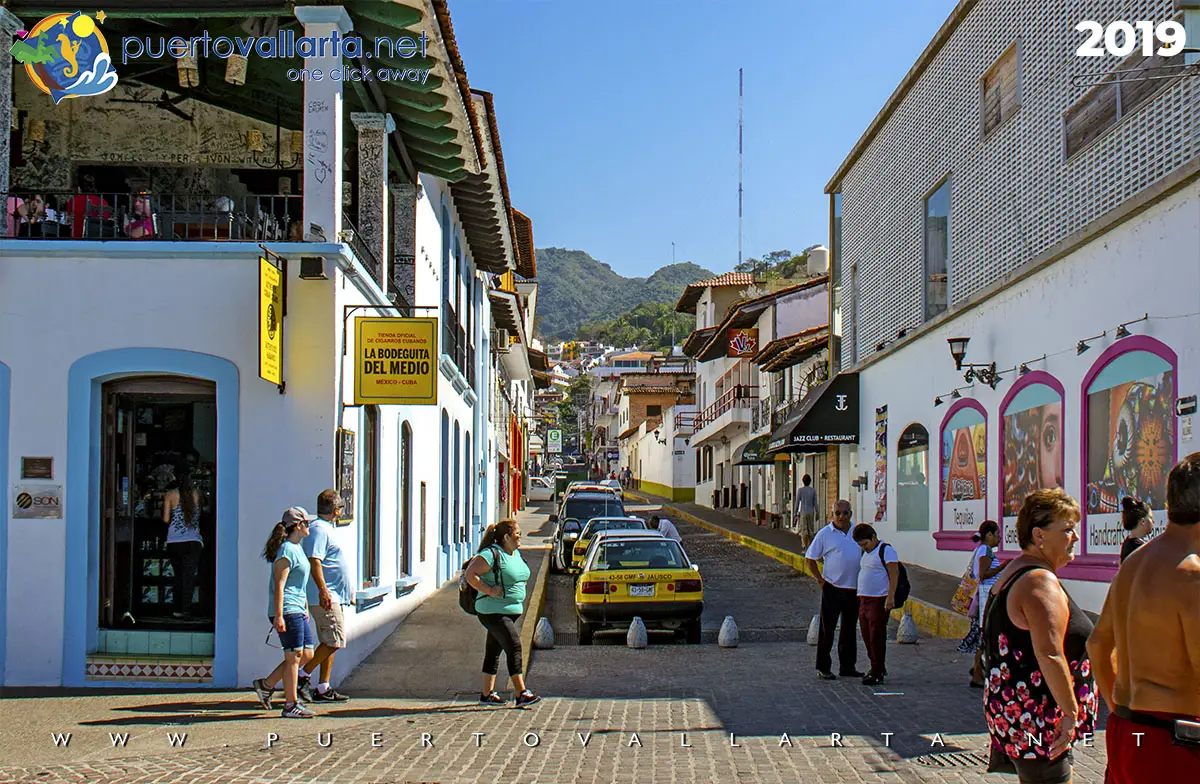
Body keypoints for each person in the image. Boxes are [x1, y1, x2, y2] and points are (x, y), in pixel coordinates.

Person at [1088, 453, 1200, 783]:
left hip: (1127, 728)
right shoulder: (1191, 574)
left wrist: (1118, 705)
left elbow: (1097, 644)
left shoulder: (1136, 561)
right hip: (1174, 741)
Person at [982, 489, 1096, 783]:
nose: (1076, 537)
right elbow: (1050, 654)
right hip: (1040, 718)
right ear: (1039, 535)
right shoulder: (1039, 581)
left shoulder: (1015, 571)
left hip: (1023, 716)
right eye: (1068, 529)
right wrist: (1070, 715)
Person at [463, 519, 541, 707]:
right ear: (506, 537)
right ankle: (521, 692)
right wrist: (489, 590)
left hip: (509, 610)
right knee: (514, 645)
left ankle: (487, 694)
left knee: (493, 651)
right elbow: (470, 575)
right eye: (517, 534)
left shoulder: (514, 554)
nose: (520, 537)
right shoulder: (490, 555)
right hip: (492, 611)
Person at [253, 507, 319, 718]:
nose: (309, 526)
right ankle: (290, 704)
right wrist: (279, 615)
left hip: (298, 609)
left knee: (307, 654)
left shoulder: (297, 548)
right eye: (307, 523)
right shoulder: (286, 551)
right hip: (287, 609)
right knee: (294, 656)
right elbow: (280, 585)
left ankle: (267, 684)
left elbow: (300, 585)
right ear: (298, 526)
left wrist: (306, 607)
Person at [298, 490, 352, 702]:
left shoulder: (327, 529)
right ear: (336, 511)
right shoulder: (319, 530)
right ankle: (303, 676)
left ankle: (323, 686)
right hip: (326, 596)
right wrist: (323, 590)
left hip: (335, 594)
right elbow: (315, 561)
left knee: (329, 641)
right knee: (334, 641)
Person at [805, 499, 864, 680]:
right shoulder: (825, 534)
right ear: (832, 514)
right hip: (832, 587)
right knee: (827, 629)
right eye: (837, 513)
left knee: (849, 629)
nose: (841, 517)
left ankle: (847, 666)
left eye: (845, 513)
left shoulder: (857, 532)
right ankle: (823, 667)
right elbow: (810, 558)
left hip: (854, 589)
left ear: (850, 514)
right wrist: (820, 580)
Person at [851, 523, 899, 686]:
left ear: (873, 537)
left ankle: (877, 672)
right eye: (861, 545)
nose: (864, 547)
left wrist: (890, 597)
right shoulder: (866, 554)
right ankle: (876, 665)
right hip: (864, 599)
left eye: (865, 543)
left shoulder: (886, 550)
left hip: (878, 599)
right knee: (866, 635)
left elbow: (894, 574)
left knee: (876, 636)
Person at [160, 466, 203, 619]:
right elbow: (201, 514)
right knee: (189, 577)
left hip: (175, 541)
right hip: (193, 541)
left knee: (178, 576)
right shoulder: (197, 494)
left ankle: (176, 609)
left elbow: (165, 519)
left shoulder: (170, 494)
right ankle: (187, 609)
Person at [969, 521, 1005, 688]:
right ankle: (977, 672)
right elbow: (984, 575)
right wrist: (1003, 567)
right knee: (984, 636)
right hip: (985, 596)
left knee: (983, 636)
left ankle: (978, 669)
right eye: (997, 534)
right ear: (989, 535)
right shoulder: (985, 550)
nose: (999, 538)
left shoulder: (983, 550)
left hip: (986, 596)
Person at [1118, 496, 1152, 564]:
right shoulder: (1142, 548)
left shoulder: (1126, 543)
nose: (1152, 521)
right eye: (1150, 517)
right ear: (1143, 521)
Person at [794, 474, 819, 546]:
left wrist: (795, 513)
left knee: (804, 531)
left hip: (803, 512)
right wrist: (817, 512)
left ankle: (805, 546)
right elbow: (815, 503)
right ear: (810, 481)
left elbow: (797, 502)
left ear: (803, 481)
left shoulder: (800, 490)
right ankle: (811, 546)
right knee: (811, 530)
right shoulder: (813, 490)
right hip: (811, 512)